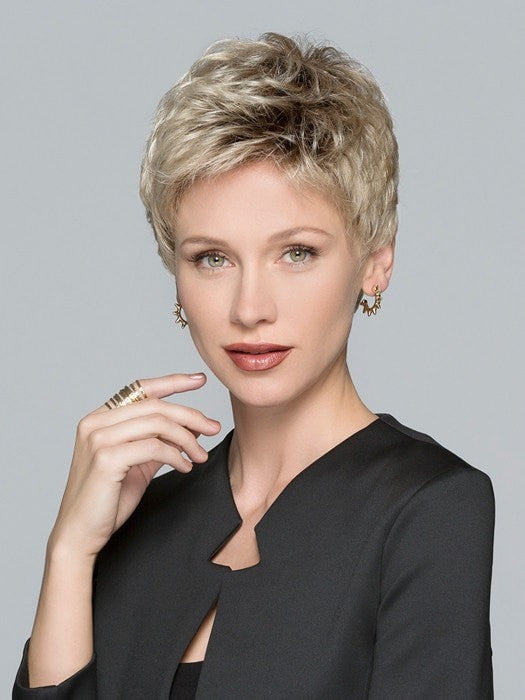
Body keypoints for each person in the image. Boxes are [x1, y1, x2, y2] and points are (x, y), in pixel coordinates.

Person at [13, 31, 495, 699]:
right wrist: (68, 552)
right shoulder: (138, 515)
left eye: (296, 253)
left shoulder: (428, 508)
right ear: (176, 275)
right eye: (212, 258)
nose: (249, 308)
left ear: (375, 264)